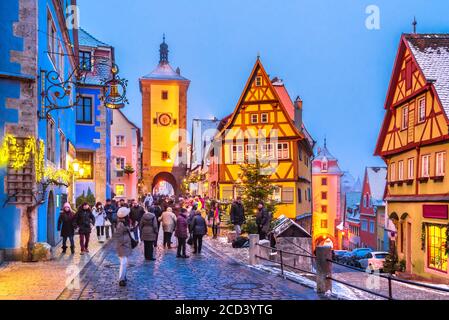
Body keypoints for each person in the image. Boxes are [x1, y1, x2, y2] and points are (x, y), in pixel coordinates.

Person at [114, 207, 132, 287]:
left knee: (125, 262)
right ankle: (121, 279)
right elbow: (118, 235)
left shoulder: (124, 222)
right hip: (122, 245)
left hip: (125, 245)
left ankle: (124, 276)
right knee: (123, 262)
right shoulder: (121, 224)